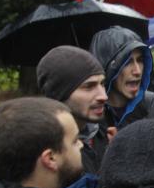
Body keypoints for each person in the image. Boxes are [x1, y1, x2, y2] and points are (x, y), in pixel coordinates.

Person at [89, 26, 154, 133]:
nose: (137, 71)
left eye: (140, 60)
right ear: (109, 68)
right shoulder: (91, 118)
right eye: (127, 62)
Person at [36, 45, 110, 174]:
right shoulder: (45, 152)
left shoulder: (102, 130)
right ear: (59, 93)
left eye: (102, 84)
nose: (103, 96)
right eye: (89, 86)